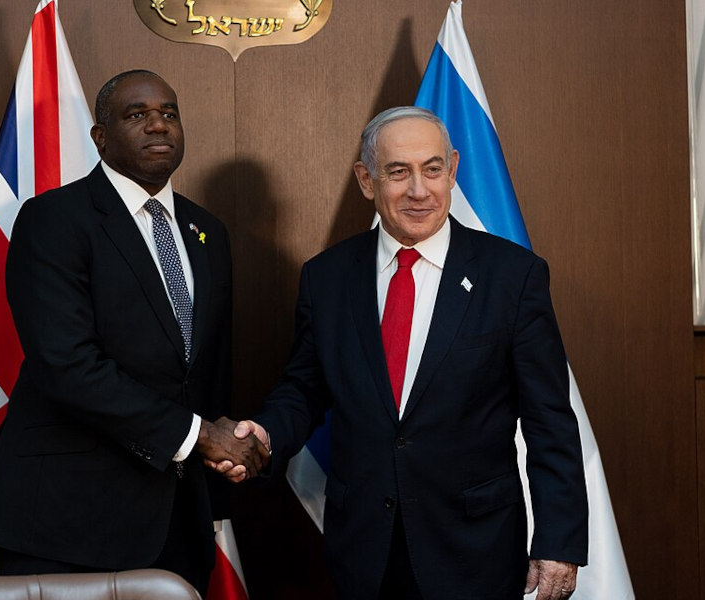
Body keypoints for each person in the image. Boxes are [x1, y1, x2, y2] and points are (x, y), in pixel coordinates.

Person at [215, 106, 588, 600]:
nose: (419, 190)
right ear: (366, 180)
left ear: (453, 170)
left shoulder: (513, 277)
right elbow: (304, 388)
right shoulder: (327, 277)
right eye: (398, 172)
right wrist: (265, 433)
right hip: (364, 549)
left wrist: (558, 542)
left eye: (433, 169)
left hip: (475, 548)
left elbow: (550, 422)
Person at [0, 70, 267, 595]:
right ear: (100, 137)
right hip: (66, 521)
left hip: (178, 521)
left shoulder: (208, 232)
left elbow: (207, 372)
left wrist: (220, 473)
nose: (158, 125)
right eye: (137, 115)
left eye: (169, 113)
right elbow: (67, 365)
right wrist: (200, 436)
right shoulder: (53, 220)